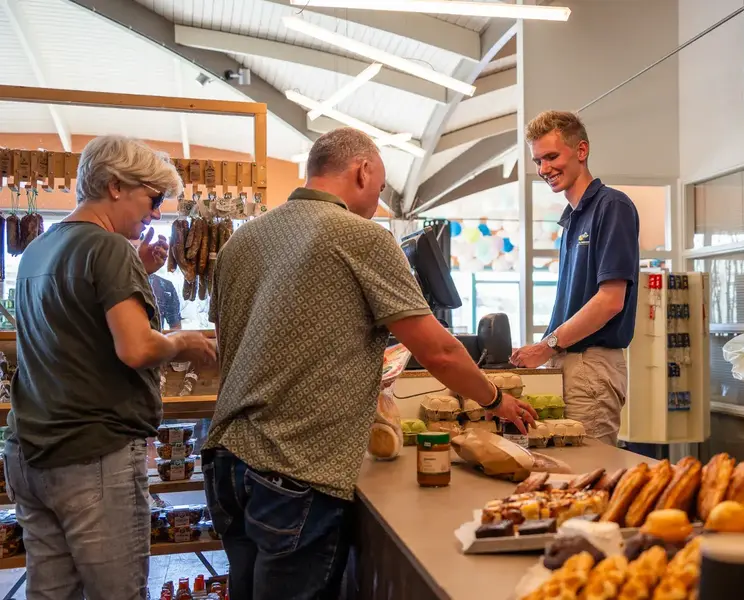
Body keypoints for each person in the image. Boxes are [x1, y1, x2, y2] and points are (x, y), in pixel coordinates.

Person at [203, 127, 537, 600]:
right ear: (362, 171)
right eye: (380, 189)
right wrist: (496, 399)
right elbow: (437, 350)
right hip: (294, 470)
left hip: (226, 465)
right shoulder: (361, 237)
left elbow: (233, 346)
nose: (378, 202)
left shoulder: (243, 241)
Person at [4, 135, 217, 599]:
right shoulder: (109, 250)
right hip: (92, 455)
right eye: (153, 198)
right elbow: (136, 349)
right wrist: (183, 340)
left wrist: (132, 267)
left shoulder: (40, 249)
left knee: (51, 591)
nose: (157, 213)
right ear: (117, 186)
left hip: (31, 451)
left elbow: (73, 326)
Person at [511, 111, 640, 446]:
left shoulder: (612, 206)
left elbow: (611, 301)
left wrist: (548, 345)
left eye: (552, 156)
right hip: (566, 361)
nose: (544, 169)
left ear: (581, 151)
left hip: (591, 366)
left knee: (586, 474)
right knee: (562, 476)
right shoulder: (572, 219)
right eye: (538, 160)